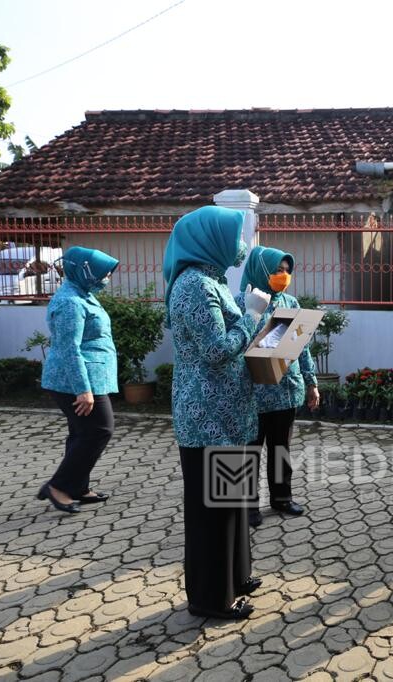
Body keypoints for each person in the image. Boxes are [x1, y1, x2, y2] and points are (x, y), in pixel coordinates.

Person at [164, 206, 271, 620]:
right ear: (211, 240)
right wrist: (252, 316)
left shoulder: (212, 281)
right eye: (237, 235)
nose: (243, 244)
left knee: (233, 501)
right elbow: (215, 350)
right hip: (207, 416)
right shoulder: (194, 286)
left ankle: (236, 576)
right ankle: (211, 598)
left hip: (229, 412)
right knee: (213, 513)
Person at [234, 246, 319, 527]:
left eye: (286, 271)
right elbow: (234, 345)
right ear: (261, 271)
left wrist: (311, 383)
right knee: (251, 450)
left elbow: (302, 346)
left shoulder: (291, 304)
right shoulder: (241, 303)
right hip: (253, 393)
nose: (283, 275)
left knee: (281, 448)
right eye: (277, 270)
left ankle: (282, 498)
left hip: (285, 389)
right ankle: (248, 506)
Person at [38, 246, 120, 514]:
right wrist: (83, 390)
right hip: (76, 381)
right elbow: (68, 349)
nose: (106, 278)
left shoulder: (82, 294)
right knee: (99, 429)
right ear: (84, 270)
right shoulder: (70, 302)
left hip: (88, 378)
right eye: (101, 273)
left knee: (81, 433)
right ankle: (59, 486)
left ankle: (77, 486)